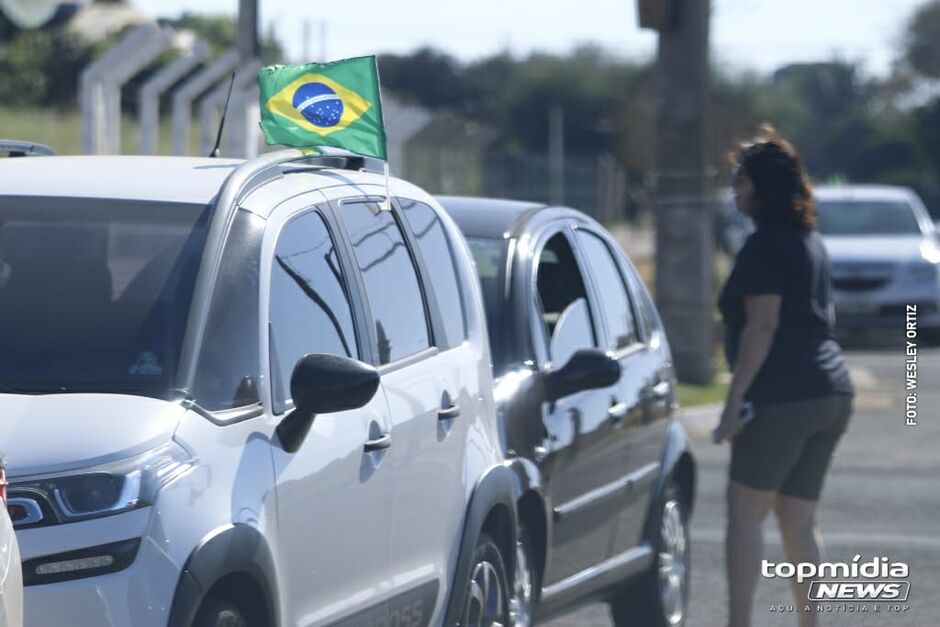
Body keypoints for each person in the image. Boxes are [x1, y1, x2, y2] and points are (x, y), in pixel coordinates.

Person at [714, 126, 855, 627]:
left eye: (740, 179)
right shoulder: (809, 241)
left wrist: (734, 403)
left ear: (760, 185)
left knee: (745, 516)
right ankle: (809, 623)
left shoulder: (764, 246)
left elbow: (763, 327)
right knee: (798, 519)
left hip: (783, 396)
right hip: (831, 392)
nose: (734, 188)